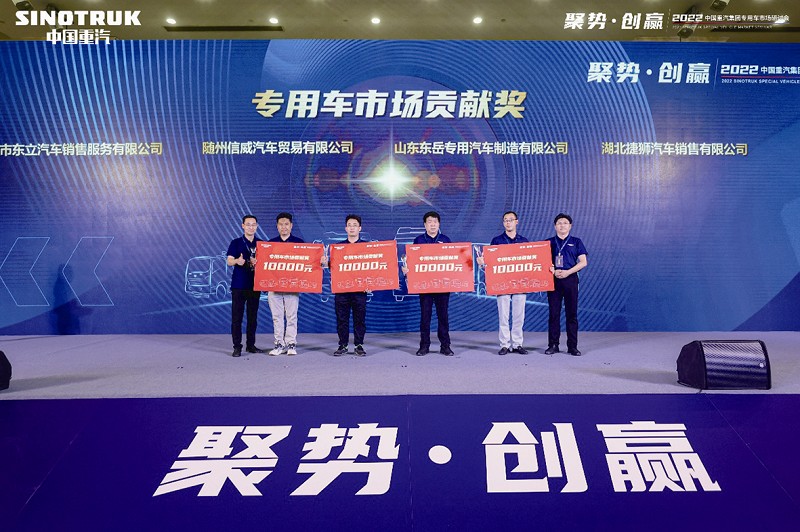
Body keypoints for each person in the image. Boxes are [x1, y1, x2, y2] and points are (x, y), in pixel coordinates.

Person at [478, 211, 530, 355]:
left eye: (511, 220)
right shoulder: (497, 241)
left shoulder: (524, 241)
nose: (508, 222)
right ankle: (505, 344)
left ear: (516, 222)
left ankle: (517, 344)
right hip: (502, 282)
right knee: (503, 315)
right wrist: (482, 262)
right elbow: (489, 262)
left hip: (519, 283)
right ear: (503, 223)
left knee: (519, 315)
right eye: (505, 220)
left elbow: (530, 261)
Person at [402, 211, 454, 356]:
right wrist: (407, 269)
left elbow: (452, 260)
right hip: (425, 285)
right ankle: (424, 346)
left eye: (435, 222)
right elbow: (412, 261)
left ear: (439, 224)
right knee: (425, 317)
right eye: (429, 222)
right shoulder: (418, 240)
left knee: (443, 317)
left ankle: (445, 346)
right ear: (425, 225)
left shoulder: (446, 240)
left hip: (442, 285)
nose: (432, 224)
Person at [546, 213, 588, 356]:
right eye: (559, 223)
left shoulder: (576, 242)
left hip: (570, 280)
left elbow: (583, 262)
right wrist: (553, 271)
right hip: (554, 280)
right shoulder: (548, 242)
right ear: (555, 226)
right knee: (554, 314)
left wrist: (568, 272)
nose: (562, 225)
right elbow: (541, 261)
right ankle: (553, 345)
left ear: (570, 226)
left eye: (565, 223)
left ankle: (572, 346)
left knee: (571, 314)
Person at [226, 214, 267, 357]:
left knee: (252, 317)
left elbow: (267, 263)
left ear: (257, 226)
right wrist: (237, 261)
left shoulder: (261, 244)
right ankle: (237, 347)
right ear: (243, 226)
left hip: (255, 285)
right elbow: (229, 261)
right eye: (248, 224)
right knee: (237, 317)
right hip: (239, 285)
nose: (251, 227)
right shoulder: (236, 242)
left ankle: (251, 345)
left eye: (253, 224)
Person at [329, 214, 368, 357]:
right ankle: (343, 345)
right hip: (342, 290)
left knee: (359, 319)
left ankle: (359, 345)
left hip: (360, 290)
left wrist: (370, 282)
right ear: (346, 228)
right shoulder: (338, 248)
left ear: (360, 228)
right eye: (349, 225)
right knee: (342, 319)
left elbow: (372, 267)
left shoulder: (366, 247)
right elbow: (332, 267)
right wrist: (325, 262)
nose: (352, 228)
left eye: (355, 225)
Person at [267, 212, 304, 356]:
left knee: (291, 316)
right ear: (277, 226)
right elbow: (265, 265)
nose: (284, 227)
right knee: (276, 317)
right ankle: (279, 344)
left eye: (286, 224)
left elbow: (306, 262)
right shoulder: (270, 244)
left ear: (291, 226)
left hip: (292, 286)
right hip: (274, 286)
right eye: (281, 224)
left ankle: (291, 344)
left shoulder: (299, 243)